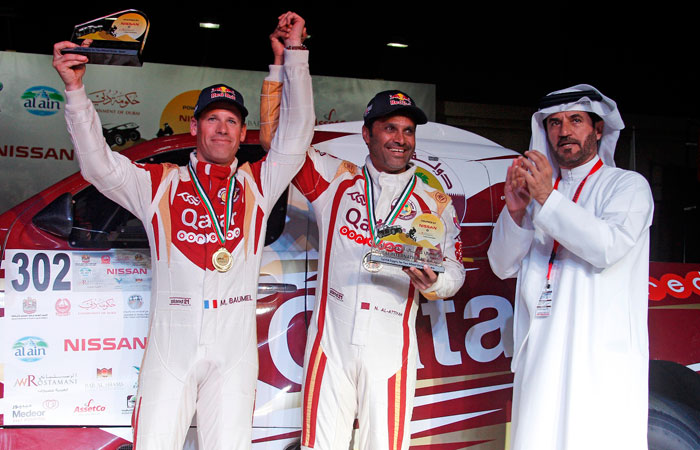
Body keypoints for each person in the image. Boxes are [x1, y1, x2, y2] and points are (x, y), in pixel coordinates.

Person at [52, 12, 314, 450]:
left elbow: (296, 135)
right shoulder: (160, 183)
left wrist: (294, 59)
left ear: (241, 132)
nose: (223, 128)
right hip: (172, 344)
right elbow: (98, 165)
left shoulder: (258, 183)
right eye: (213, 119)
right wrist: (76, 91)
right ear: (194, 127)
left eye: (232, 121)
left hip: (233, 347)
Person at [261, 29, 465, 450]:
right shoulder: (335, 180)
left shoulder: (435, 202)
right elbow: (276, 141)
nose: (401, 139)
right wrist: (286, 64)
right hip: (331, 338)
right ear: (367, 135)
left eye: (408, 131)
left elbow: (456, 271)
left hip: (391, 344)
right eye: (390, 128)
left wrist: (435, 284)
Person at [487, 85, 653, 449]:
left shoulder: (626, 186)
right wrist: (516, 211)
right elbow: (501, 265)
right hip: (541, 351)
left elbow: (606, 247)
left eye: (575, 120)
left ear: (598, 129)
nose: (563, 131)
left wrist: (546, 197)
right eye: (554, 123)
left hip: (596, 356)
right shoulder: (538, 194)